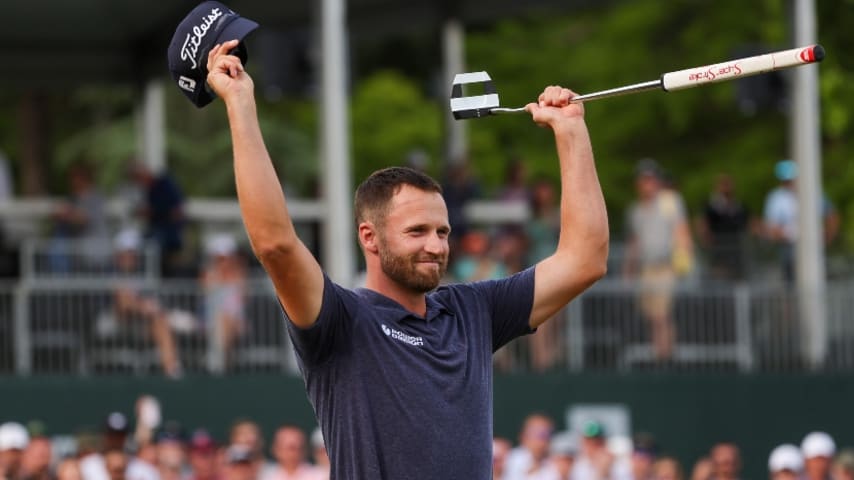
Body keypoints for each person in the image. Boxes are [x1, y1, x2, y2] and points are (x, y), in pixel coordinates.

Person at [206, 33, 608, 479]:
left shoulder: (472, 311)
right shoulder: (341, 320)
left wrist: (571, 132)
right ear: (369, 237)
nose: (436, 245)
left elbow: (584, 259)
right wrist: (241, 103)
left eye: (442, 231)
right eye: (417, 231)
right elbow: (275, 245)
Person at [623, 159, 693, 362]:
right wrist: (629, 270)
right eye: (644, 180)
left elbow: (681, 231)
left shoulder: (669, 201)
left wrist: (684, 263)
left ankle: (665, 355)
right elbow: (634, 243)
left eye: (651, 179)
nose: (648, 184)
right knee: (651, 315)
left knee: (662, 315)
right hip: (646, 269)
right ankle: (658, 353)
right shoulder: (635, 210)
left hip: (666, 266)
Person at [762, 159, 840, 285]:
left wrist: (827, 237)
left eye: (792, 179)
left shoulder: (813, 194)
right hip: (789, 249)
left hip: (814, 248)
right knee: (792, 286)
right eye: (786, 181)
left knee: (817, 283)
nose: (790, 183)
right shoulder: (776, 198)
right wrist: (790, 234)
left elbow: (831, 215)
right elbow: (772, 228)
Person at [128, 163, 187, 277]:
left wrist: (153, 212)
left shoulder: (164, 184)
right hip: (160, 232)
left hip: (170, 234)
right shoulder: (150, 190)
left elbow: (176, 210)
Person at [200, 233, 247, 374]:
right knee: (223, 321)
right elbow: (207, 290)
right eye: (220, 259)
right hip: (210, 321)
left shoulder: (240, 276)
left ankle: (219, 366)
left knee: (226, 321)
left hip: (236, 322)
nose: (224, 262)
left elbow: (242, 300)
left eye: (226, 258)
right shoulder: (209, 274)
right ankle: (221, 366)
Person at [697, 174, 750, 281]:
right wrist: (705, 238)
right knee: (719, 276)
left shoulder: (737, 205)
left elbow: (747, 221)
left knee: (735, 277)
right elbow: (703, 222)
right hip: (718, 248)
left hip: (735, 248)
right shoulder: (711, 205)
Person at [504, 414, 555, 480]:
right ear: (523, 436)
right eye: (540, 434)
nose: (544, 439)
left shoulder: (557, 460)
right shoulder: (510, 459)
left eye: (547, 434)